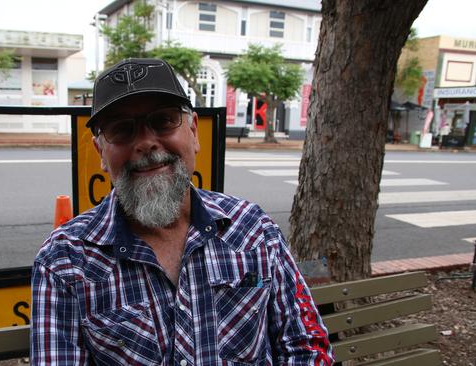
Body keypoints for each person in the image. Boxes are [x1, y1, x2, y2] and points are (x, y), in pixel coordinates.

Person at [31, 58, 333, 365]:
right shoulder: (64, 262)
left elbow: (306, 345)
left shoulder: (254, 230)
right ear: (101, 155)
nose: (146, 142)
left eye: (163, 121)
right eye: (122, 129)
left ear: (194, 132)